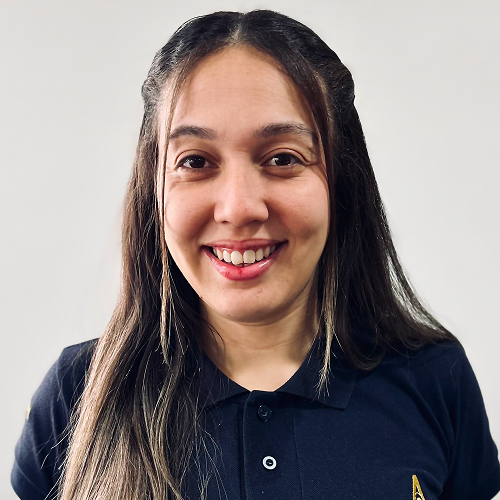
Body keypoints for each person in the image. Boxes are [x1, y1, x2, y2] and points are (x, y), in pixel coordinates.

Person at [11, 9, 500, 500]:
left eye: (283, 158)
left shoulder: (435, 380)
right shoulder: (76, 397)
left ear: (341, 181)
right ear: (152, 190)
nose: (239, 208)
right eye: (195, 161)